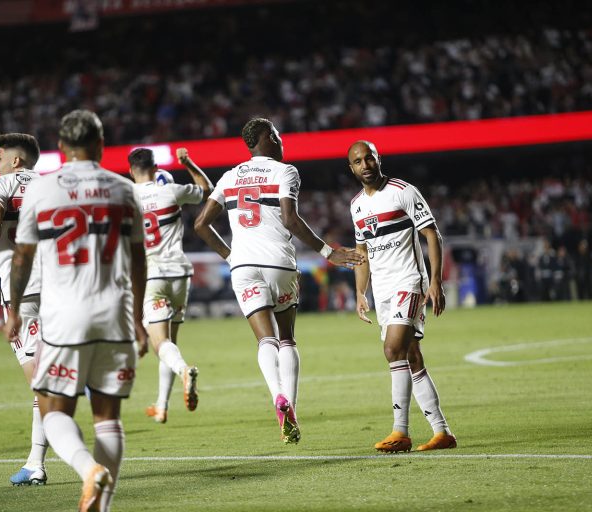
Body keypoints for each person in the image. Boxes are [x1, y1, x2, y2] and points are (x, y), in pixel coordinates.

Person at [5, 109, 148, 512]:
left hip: (63, 316)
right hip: (114, 314)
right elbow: (139, 261)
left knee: (52, 408)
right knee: (108, 418)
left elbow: (22, 257)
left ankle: (88, 469)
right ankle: (100, 506)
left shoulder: (42, 190)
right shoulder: (124, 190)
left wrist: (14, 310)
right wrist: (137, 319)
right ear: (101, 146)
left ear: (61, 148)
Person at [194, 118, 363, 444]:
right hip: (278, 264)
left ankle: (277, 397)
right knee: (286, 339)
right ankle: (292, 407)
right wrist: (330, 252)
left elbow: (201, 224)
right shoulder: (285, 172)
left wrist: (231, 257)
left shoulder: (230, 176)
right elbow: (290, 219)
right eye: (277, 135)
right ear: (267, 138)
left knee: (264, 341)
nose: (282, 140)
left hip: (243, 266)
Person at [347, 140, 456, 453]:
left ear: (378, 159)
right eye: (358, 161)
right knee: (410, 356)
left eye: (369, 158)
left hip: (409, 282)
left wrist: (435, 281)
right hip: (382, 291)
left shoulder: (403, 191)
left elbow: (432, 234)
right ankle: (442, 432)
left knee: (393, 349)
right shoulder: (356, 205)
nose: (365, 165)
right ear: (351, 168)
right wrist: (359, 292)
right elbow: (362, 252)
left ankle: (400, 431)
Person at [0, 132, 49, 486]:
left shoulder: (1, 183)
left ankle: (37, 463)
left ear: (15, 160)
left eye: (0, 156)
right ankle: (36, 461)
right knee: (45, 375)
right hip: (59, 287)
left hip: (23, 292)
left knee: (39, 382)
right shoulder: (53, 186)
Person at [129, 147, 213, 423]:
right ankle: (162, 405)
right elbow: (206, 188)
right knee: (170, 343)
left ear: (131, 171)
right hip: (179, 273)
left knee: (160, 343)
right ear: (155, 169)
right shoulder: (171, 191)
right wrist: (188, 162)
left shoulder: (126, 201)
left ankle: (185, 371)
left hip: (151, 276)